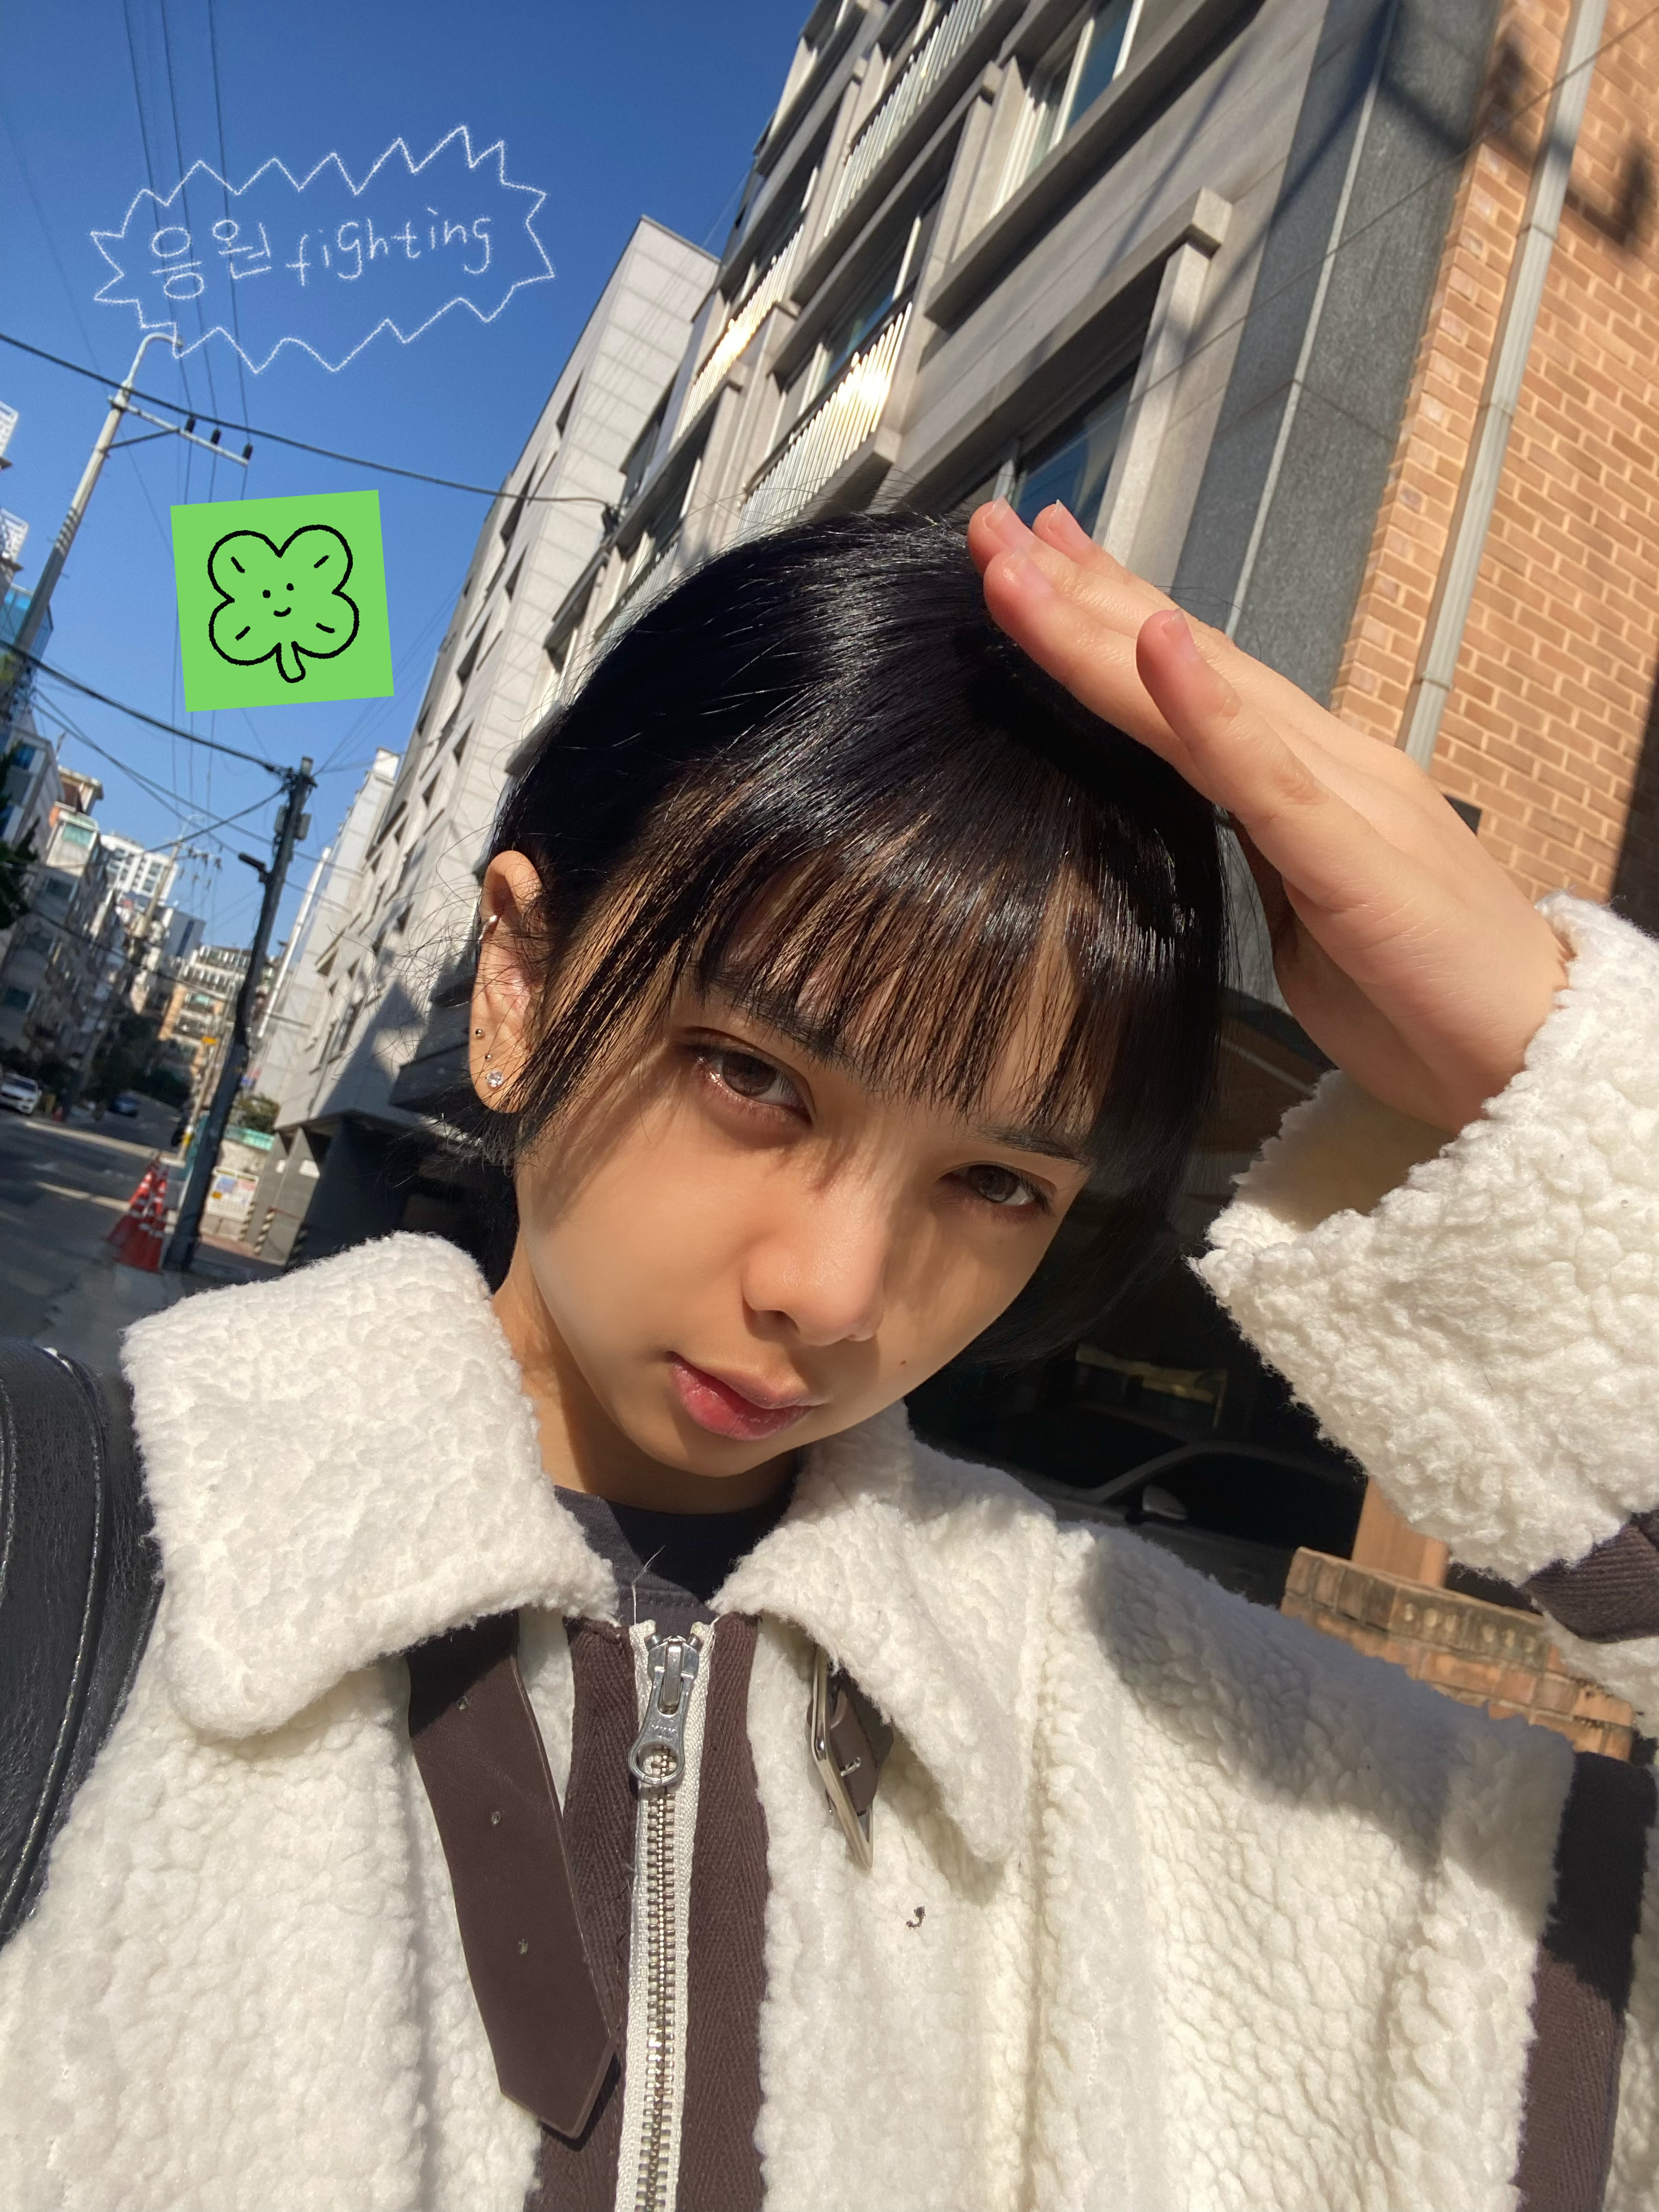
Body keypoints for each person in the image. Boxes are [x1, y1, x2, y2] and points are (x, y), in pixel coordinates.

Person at [1, 503, 1654, 2212]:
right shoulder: (80, 1544)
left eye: (998, 1183)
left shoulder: (1125, 1724)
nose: (836, 1292)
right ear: (519, 982)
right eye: (754, 1076)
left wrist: (1547, 1083)